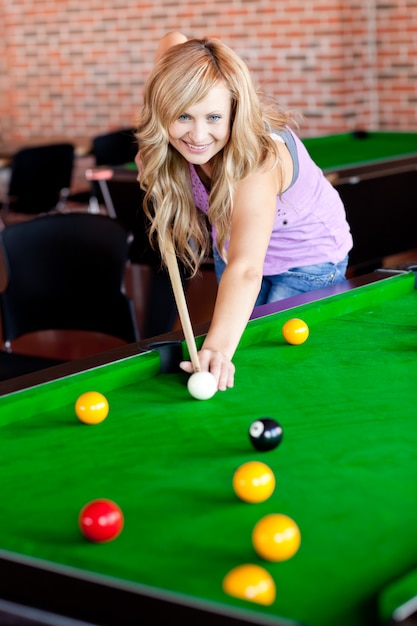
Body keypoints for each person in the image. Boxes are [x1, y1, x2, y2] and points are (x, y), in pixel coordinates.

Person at [135, 32, 353, 392]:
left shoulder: (259, 159)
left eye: (214, 117)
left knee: (276, 365)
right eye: (183, 115)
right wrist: (150, 147)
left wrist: (218, 349)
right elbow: (171, 42)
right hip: (232, 248)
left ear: (235, 111)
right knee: (244, 342)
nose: (198, 135)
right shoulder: (175, 86)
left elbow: (248, 269)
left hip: (307, 261)